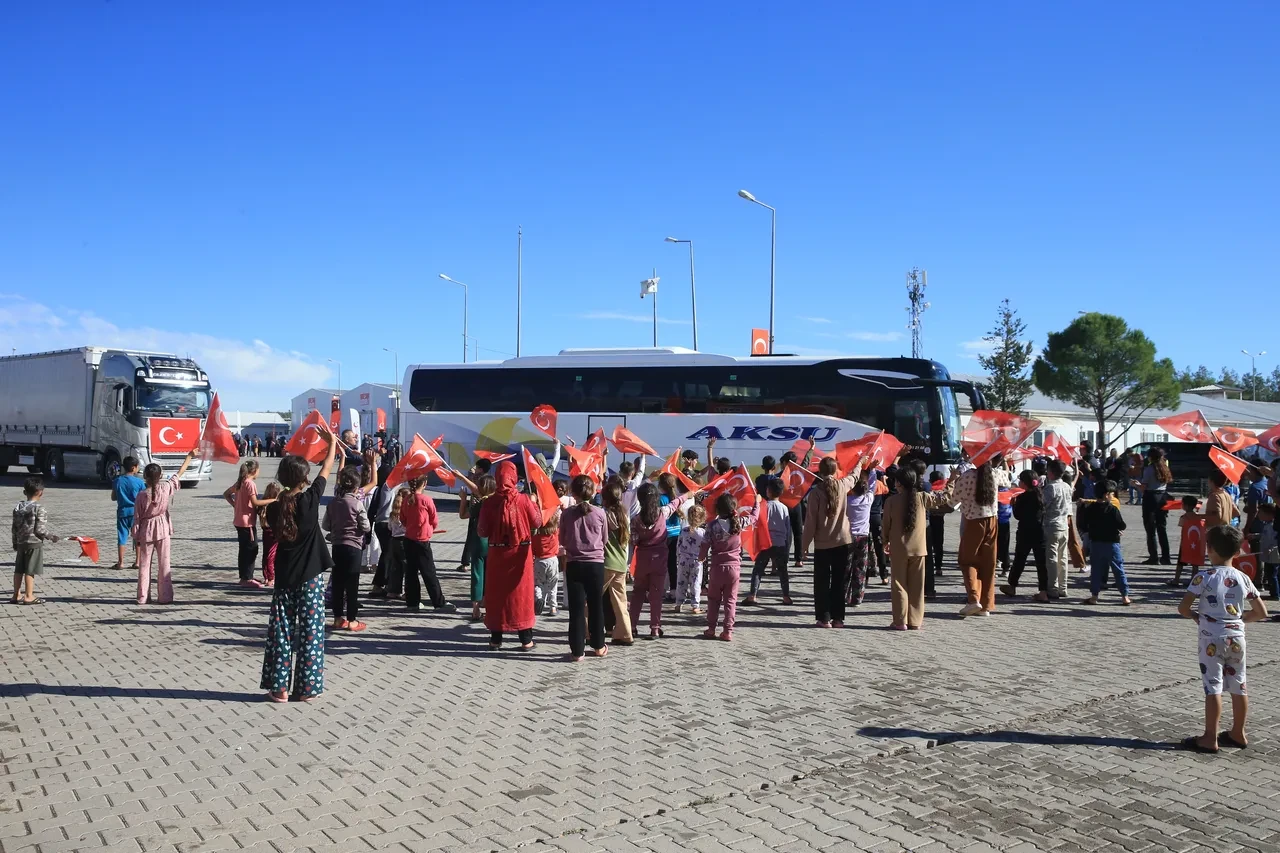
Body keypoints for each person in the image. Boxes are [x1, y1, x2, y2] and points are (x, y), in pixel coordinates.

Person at [261, 428, 338, 703]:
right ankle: (307, 689)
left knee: (281, 631)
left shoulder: (273, 508)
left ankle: (280, 688)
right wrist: (331, 445)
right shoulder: (310, 500)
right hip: (311, 577)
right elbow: (328, 467)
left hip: (284, 576)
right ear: (305, 479)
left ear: (281, 478)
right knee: (311, 631)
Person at [1177, 525, 1268, 753]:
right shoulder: (1243, 577)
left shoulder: (1203, 576)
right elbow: (1261, 612)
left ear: (1209, 549)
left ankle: (1210, 737)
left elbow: (1183, 608)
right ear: (1237, 552)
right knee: (1239, 684)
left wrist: (1197, 616)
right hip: (1237, 637)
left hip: (1211, 638)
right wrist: (1238, 620)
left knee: (1213, 687)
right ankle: (1238, 732)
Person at [477, 460, 543, 650]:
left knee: (498, 595)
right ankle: (526, 639)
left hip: (498, 554)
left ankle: (495, 639)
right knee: (521, 596)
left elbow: (482, 531)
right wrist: (535, 504)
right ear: (513, 478)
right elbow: (537, 523)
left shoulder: (489, 502)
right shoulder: (523, 500)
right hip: (520, 554)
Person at [880, 467, 955, 630]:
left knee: (899, 585)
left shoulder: (891, 501)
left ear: (898, 483)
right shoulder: (923, 497)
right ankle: (915, 621)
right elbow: (944, 497)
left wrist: (885, 540)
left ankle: (900, 621)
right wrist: (952, 480)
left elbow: (885, 525)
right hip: (919, 549)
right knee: (917, 586)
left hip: (899, 548)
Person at [802, 456, 865, 628]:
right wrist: (860, 462)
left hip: (822, 544)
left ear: (820, 471)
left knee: (822, 582)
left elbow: (810, 523)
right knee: (839, 581)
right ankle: (838, 618)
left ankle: (824, 618)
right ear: (835, 470)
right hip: (843, 542)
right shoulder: (842, 485)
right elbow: (855, 476)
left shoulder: (815, 493)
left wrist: (804, 546)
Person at [132, 450, 198, 605]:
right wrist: (189, 457)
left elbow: (136, 518)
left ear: (145, 477)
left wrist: (136, 536)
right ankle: (165, 597)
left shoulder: (141, 495)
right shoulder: (166, 488)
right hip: (163, 528)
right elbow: (178, 475)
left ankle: (142, 597)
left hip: (145, 530)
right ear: (160, 476)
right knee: (164, 564)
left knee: (144, 564)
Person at [630, 482, 692, 640]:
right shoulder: (662, 513)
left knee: (638, 593)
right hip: (660, 559)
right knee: (656, 595)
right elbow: (675, 503)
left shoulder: (636, 519)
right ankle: (655, 628)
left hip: (642, 560)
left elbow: (634, 540)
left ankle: (631, 627)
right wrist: (687, 495)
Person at [559, 474, 609, 661]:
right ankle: (598, 646)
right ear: (593, 491)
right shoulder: (600, 513)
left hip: (574, 564)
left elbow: (562, 539)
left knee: (576, 609)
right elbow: (604, 539)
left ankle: (577, 650)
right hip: (595, 564)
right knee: (596, 606)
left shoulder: (566, 514)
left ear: (573, 492)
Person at [322, 466, 372, 631]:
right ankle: (352, 620)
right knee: (352, 583)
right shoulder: (357, 504)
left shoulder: (333, 503)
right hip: (354, 548)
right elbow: (365, 526)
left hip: (337, 547)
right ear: (356, 488)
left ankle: (337, 618)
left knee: (337, 582)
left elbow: (325, 525)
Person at [954, 454, 1002, 618]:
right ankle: (986, 605)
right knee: (988, 563)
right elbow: (1008, 482)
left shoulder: (967, 476)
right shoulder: (995, 474)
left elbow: (953, 500)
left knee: (967, 560)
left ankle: (973, 598)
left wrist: (952, 480)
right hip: (993, 521)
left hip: (974, 521)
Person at [700, 493, 752, 642]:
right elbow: (754, 517)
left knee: (713, 599)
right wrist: (757, 504)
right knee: (730, 600)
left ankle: (711, 629)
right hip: (734, 569)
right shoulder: (739, 522)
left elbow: (704, 545)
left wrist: (701, 556)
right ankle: (728, 631)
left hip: (717, 569)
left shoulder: (712, 526)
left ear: (717, 509)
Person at [399, 476, 455, 614]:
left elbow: (403, 519)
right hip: (422, 540)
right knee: (429, 572)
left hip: (408, 539)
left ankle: (413, 602)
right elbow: (434, 519)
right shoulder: (426, 500)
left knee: (411, 573)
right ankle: (438, 602)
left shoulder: (406, 499)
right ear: (424, 484)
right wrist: (429, 528)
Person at [11, 476, 63, 605]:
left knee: (19, 569)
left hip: (21, 542)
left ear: (24, 492)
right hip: (34, 543)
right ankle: (29, 595)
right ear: (41, 492)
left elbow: (14, 528)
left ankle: (16, 594)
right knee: (30, 570)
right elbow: (39, 529)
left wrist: (15, 542)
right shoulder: (39, 508)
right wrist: (51, 536)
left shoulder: (18, 508)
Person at [743, 479, 793, 606]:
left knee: (758, 570)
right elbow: (788, 529)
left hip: (766, 542)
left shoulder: (764, 506)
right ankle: (786, 596)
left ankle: (752, 595)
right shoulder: (784, 508)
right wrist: (787, 544)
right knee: (783, 571)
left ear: (768, 491)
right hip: (780, 543)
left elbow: (757, 523)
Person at [1081, 483, 1131, 606]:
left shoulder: (1090, 508)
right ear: (1106, 495)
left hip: (1096, 543)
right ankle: (1125, 596)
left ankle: (1094, 596)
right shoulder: (1112, 509)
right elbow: (1122, 525)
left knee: (1096, 571)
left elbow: (1083, 524)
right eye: (1111, 494)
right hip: (1112, 543)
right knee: (1118, 569)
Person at [224, 460, 272, 589]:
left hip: (239, 521)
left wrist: (236, 505)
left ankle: (244, 576)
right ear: (254, 470)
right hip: (247, 523)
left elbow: (226, 494)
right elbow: (255, 502)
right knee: (251, 550)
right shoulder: (250, 484)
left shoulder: (240, 482)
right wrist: (273, 500)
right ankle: (247, 578)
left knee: (244, 549)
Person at [1001, 470, 1047, 601]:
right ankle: (1043, 591)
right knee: (1041, 562)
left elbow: (1018, 515)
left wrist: (1014, 505)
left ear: (1024, 483)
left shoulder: (1022, 497)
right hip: (1040, 531)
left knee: (1020, 560)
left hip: (1025, 532)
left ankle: (1012, 586)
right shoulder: (1041, 494)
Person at [600, 480, 634, 645]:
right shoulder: (624, 515)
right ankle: (625, 633)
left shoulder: (604, 515)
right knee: (620, 601)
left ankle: (587, 631)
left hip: (606, 563)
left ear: (605, 499)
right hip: (621, 563)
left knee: (589, 599)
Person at [459, 474, 494, 621]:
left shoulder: (479, 505)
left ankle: (475, 608)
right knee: (490, 574)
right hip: (492, 542)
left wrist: (463, 499)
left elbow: (463, 515)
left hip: (477, 541)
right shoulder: (496, 504)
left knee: (477, 574)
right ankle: (488, 603)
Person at [844, 464, 880, 607]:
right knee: (860, 568)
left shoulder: (847, 502)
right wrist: (872, 470)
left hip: (848, 537)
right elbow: (873, 485)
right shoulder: (868, 500)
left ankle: (843, 595)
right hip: (863, 538)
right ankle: (857, 597)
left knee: (846, 568)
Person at [1136, 447, 1174, 565]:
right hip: (1162, 497)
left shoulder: (1149, 469)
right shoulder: (1165, 468)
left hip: (1150, 497)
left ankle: (1153, 556)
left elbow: (1144, 487)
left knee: (1150, 529)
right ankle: (1166, 557)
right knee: (1162, 528)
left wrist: (1137, 484)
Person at [1042, 460, 1073, 600]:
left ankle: (1052, 588)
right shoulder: (1067, 486)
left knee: (1052, 558)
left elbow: (1044, 505)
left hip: (1052, 525)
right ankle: (1063, 587)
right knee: (1063, 558)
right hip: (1064, 524)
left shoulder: (1050, 488)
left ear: (1051, 472)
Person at [110, 456, 144, 570]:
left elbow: (113, 497)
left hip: (122, 512)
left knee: (122, 537)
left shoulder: (117, 481)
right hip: (136, 513)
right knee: (137, 537)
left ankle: (121, 562)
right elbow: (143, 497)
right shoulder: (139, 482)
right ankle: (138, 561)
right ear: (134, 468)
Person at [674, 503, 707, 613]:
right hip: (697, 561)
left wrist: (678, 557)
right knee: (696, 583)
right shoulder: (702, 533)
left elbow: (678, 545)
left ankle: (679, 603)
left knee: (681, 582)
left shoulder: (683, 531)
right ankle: (695, 605)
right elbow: (705, 547)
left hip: (683, 560)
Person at [657, 473, 684, 602]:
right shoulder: (676, 497)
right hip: (676, 533)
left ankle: (661, 589)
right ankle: (673, 590)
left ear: (661, 485)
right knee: (672, 563)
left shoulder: (661, 499)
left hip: (664, 534)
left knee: (661, 563)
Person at [924, 471, 951, 598]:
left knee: (930, 544)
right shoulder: (942, 491)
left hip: (929, 519)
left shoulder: (928, 490)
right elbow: (949, 506)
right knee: (939, 543)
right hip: (939, 519)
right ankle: (939, 566)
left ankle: (933, 565)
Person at [532, 506, 562, 617]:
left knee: (538, 583)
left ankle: (538, 599)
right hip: (553, 561)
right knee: (552, 585)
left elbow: (533, 551)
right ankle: (553, 607)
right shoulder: (555, 534)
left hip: (540, 561)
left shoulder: (536, 537)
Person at [259, 482, 281, 587]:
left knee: (266, 555)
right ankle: (270, 577)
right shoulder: (275, 504)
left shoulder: (262, 503)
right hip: (273, 532)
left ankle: (267, 576)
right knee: (271, 555)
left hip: (266, 531)